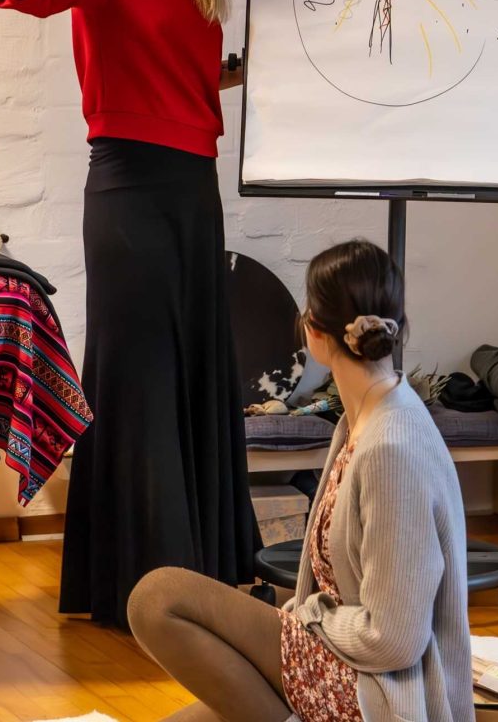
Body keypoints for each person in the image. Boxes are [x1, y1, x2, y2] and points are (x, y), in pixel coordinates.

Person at [0, 0, 258, 629]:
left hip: (194, 187)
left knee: (194, 369)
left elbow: (184, 84)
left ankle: (201, 580)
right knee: (137, 377)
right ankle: (144, 590)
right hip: (128, 188)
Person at [127, 239, 475, 722]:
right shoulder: (365, 415)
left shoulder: (393, 449)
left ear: (313, 329)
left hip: (371, 694)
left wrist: (307, 616)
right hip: (335, 662)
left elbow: (395, 641)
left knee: (156, 597)